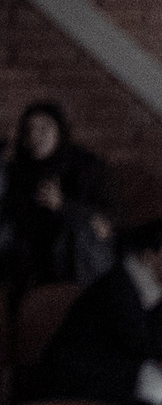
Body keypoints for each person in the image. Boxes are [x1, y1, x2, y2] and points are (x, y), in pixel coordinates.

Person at [21, 220, 162, 405]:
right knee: (155, 382)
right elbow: (146, 346)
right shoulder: (117, 287)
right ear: (149, 256)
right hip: (81, 378)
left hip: (123, 370)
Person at [3, 101, 114, 289]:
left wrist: (62, 204)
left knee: (84, 230)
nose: (36, 135)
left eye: (44, 128)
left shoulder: (84, 165)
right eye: (30, 129)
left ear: (59, 131)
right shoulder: (21, 168)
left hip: (76, 255)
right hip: (32, 257)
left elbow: (106, 220)